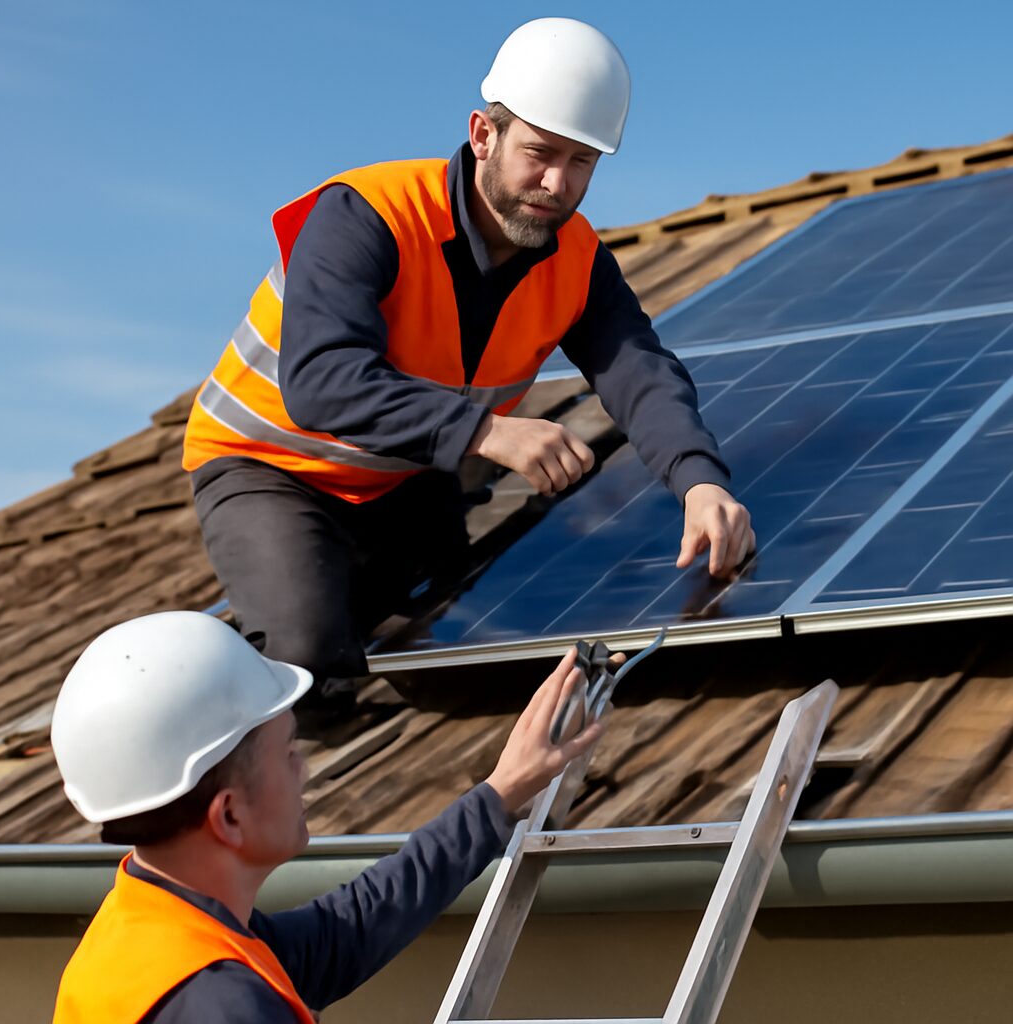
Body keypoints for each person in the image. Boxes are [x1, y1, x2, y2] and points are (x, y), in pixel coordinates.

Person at [181, 18, 755, 713]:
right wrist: (489, 434)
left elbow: (640, 372)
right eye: (540, 153)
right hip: (271, 469)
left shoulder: (577, 260)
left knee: (456, 639)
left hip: (404, 481)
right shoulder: (368, 215)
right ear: (484, 134)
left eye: (582, 163)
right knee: (311, 673)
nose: (556, 183)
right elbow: (321, 381)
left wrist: (699, 482)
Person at [50, 611, 603, 1022]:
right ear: (230, 815)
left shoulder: (149, 932)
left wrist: (500, 793)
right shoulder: (223, 1004)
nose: (305, 771)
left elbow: (348, 929)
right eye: (289, 751)